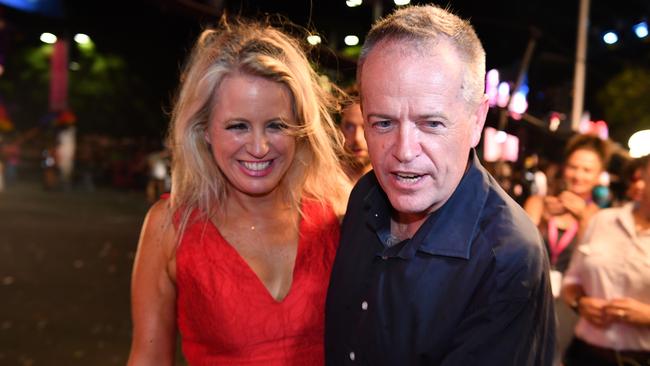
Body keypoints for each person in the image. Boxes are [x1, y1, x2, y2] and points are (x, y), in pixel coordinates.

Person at [325, 5, 555, 365]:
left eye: (431, 124)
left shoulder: (505, 258)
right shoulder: (366, 196)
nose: (402, 151)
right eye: (383, 123)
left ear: (477, 120)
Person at [127, 18, 351, 365]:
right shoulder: (169, 227)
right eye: (238, 126)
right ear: (204, 130)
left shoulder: (339, 209)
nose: (259, 147)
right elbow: (148, 358)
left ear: (299, 129)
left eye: (276, 125)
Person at [561, 153, 650, 366]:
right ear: (642, 175)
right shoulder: (603, 220)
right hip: (583, 353)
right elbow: (571, 281)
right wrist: (580, 303)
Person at [338, 84, 371, 182]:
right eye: (350, 127)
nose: (357, 137)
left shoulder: (393, 188)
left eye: (366, 127)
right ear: (339, 129)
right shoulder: (320, 185)